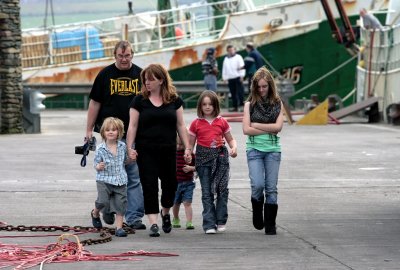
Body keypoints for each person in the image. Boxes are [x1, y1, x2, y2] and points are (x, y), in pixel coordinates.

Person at [85, 40, 146, 230]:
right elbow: (95, 103)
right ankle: (108, 209)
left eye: (127, 55)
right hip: (110, 134)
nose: (124, 59)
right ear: (115, 56)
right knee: (109, 174)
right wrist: (88, 130)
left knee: (133, 176)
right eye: (120, 56)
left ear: (132, 55)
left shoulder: (140, 75)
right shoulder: (105, 75)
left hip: (133, 134)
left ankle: (134, 217)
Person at [126, 63, 192, 237]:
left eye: (151, 79)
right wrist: (129, 148)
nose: (147, 83)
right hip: (145, 150)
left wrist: (187, 147)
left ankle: (165, 212)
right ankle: (154, 223)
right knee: (149, 185)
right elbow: (132, 126)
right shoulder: (138, 100)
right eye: (145, 80)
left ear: (161, 80)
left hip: (168, 149)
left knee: (171, 184)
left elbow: (181, 125)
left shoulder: (174, 100)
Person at [188, 90, 238, 234]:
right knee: (207, 192)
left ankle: (221, 220)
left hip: (220, 159)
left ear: (215, 105)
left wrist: (234, 148)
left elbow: (230, 139)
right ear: (200, 106)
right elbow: (191, 144)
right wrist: (187, 152)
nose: (207, 107)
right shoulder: (195, 124)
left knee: (222, 190)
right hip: (203, 160)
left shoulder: (222, 121)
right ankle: (209, 224)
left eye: (210, 104)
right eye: (204, 104)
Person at [242, 67, 284, 235]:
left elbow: (278, 127)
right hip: (254, 149)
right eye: (258, 87)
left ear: (270, 86)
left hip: (273, 149)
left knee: (271, 188)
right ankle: (257, 211)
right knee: (258, 185)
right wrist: (269, 128)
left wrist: (256, 125)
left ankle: (271, 223)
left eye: (264, 86)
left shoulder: (278, 104)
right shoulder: (249, 105)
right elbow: (246, 130)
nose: (261, 90)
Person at [91, 117, 129, 237]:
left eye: (114, 130)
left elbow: (126, 161)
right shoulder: (100, 148)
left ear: (119, 132)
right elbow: (95, 163)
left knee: (121, 205)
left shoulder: (123, 146)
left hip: (120, 180)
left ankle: (119, 228)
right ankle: (95, 213)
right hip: (104, 180)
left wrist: (132, 158)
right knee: (103, 201)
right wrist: (98, 166)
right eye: (108, 130)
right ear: (103, 132)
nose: (111, 132)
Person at [171, 135, 196, 230]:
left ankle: (189, 221)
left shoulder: (190, 155)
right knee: (175, 203)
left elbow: (198, 166)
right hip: (176, 183)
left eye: (181, 145)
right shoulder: (173, 154)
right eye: (176, 144)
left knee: (187, 203)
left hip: (188, 183)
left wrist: (191, 168)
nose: (178, 146)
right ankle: (176, 218)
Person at [222, 45, 245, 112]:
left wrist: (242, 76)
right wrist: (225, 78)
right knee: (233, 93)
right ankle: (235, 107)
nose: (231, 51)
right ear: (227, 51)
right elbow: (224, 69)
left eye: (232, 50)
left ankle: (242, 106)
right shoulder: (226, 59)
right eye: (230, 50)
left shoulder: (238, 57)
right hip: (230, 78)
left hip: (238, 77)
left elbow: (242, 66)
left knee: (240, 92)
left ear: (234, 50)